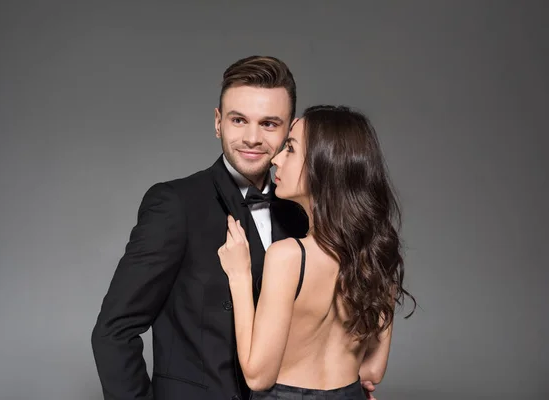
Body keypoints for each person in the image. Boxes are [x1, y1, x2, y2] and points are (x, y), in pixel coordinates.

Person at [91, 56, 378, 400]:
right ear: (218, 123)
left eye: (270, 124)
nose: (252, 138)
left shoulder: (306, 214)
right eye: (239, 120)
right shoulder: (176, 205)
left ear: (291, 129)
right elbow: (114, 332)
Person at [218, 105, 416, 399]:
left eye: (291, 149)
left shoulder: (288, 256)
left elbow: (258, 376)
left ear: (323, 166)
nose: (276, 159)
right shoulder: (377, 256)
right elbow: (373, 370)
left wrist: (239, 276)